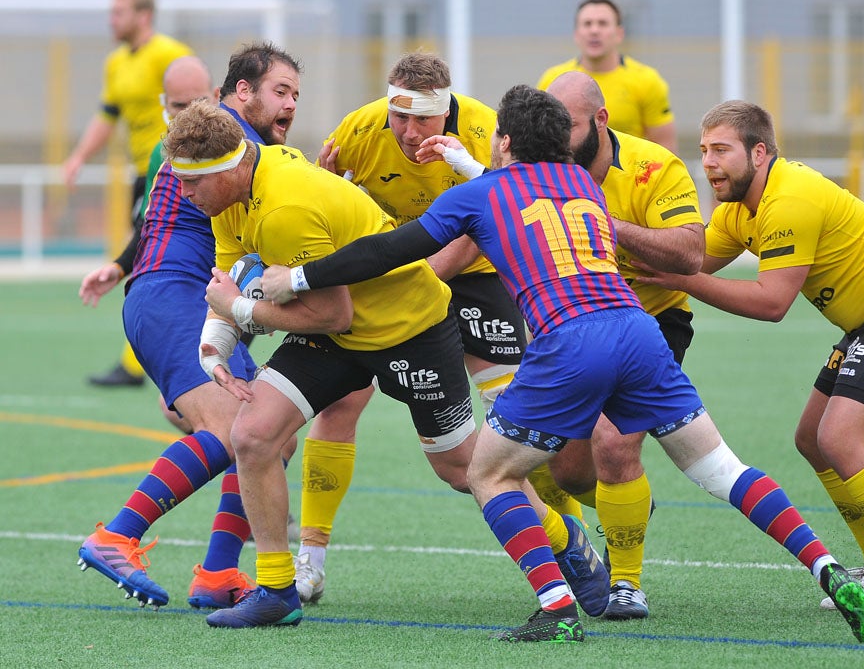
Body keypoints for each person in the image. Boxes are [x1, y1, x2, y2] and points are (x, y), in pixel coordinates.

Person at [260, 85, 864, 644]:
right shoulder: (582, 184)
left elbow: (394, 248)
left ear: (504, 141)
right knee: (723, 468)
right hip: (638, 332)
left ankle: (556, 603)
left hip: (570, 341)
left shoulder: (483, 193)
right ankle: (827, 568)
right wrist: (468, 163)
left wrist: (302, 276)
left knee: (488, 474)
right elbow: (522, 195)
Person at [160, 98, 607, 629]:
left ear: (233, 167)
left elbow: (329, 311)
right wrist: (215, 342)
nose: (185, 197)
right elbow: (233, 269)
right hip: (341, 335)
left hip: (408, 329)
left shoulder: (283, 208)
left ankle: (565, 540)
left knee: (465, 469)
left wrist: (239, 311)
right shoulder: (234, 192)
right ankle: (277, 588)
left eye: (193, 185)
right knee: (254, 435)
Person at [633, 99, 864, 624]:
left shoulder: (788, 198)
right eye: (703, 152)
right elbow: (690, 257)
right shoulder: (739, 211)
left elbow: (770, 303)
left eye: (721, 150)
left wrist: (680, 281)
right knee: (812, 439)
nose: (709, 163)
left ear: (759, 152)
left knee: (840, 438)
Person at [293, 51, 587, 605]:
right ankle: (310, 560)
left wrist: (423, 282)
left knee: (520, 422)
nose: (407, 131)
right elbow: (323, 203)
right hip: (389, 277)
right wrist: (322, 182)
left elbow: (493, 219)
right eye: (398, 117)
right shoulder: (359, 129)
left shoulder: (482, 130)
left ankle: (564, 546)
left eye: (421, 119)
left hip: (470, 272)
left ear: (446, 112)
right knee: (338, 407)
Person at [415, 70, 702, 620]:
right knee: (567, 471)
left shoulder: (653, 167)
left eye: (571, 125)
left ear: (600, 121)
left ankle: (625, 583)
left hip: (646, 321)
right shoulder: (533, 173)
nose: (559, 139)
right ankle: (606, 524)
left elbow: (690, 253)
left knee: (614, 444)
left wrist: (600, 223)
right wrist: (417, 286)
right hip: (568, 331)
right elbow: (482, 223)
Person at [76, 43, 303, 612]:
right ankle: (116, 536)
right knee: (233, 431)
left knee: (272, 435)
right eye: (281, 91)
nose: (291, 105)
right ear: (242, 91)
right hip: (172, 297)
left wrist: (119, 263)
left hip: (187, 298)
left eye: (296, 95)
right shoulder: (230, 140)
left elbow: (166, 214)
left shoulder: (216, 138)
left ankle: (218, 574)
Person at [64, 0, 193, 388]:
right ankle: (143, 355)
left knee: (147, 255)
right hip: (142, 173)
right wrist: (80, 156)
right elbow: (107, 115)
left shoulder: (170, 54)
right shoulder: (116, 62)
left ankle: (136, 361)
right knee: (143, 253)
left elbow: (201, 94)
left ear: (143, 16)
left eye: (119, 12)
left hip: (172, 172)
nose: (111, 20)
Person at [536, 0, 677, 153]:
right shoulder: (553, 80)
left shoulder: (647, 80)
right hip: (570, 175)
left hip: (628, 176)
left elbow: (665, 147)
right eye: (587, 24)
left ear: (619, 33)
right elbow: (541, 139)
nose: (594, 30)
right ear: (576, 34)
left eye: (602, 23)